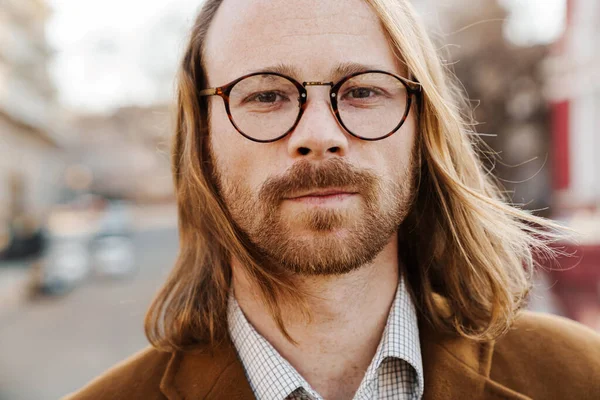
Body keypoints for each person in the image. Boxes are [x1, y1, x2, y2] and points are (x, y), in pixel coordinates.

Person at [66, 0, 600, 399]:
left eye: (363, 90)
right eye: (267, 95)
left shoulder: (581, 377)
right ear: (201, 141)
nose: (319, 134)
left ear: (421, 128)